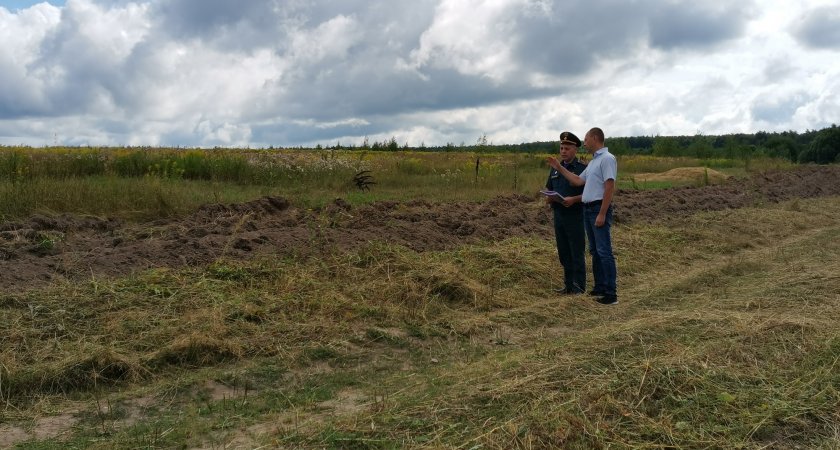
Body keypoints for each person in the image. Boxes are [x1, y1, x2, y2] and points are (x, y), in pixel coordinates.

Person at [547, 127, 618, 305]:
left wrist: (602, 213)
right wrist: (558, 167)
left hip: (596, 209)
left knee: (604, 251)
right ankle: (600, 287)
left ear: (595, 138)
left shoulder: (607, 159)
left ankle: (611, 293)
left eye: (586, 139)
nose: (585, 142)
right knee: (594, 251)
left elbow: (609, 187)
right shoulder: (594, 162)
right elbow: (578, 180)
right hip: (587, 210)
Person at [544, 131, 586, 295]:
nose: (563, 151)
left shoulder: (582, 169)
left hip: (575, 216)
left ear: (575, 150)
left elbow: (589, 194)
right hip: (559, 215)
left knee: (576, 251)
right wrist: (549, 197)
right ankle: (568, 284)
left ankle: (579, 286)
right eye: (561, 148)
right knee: (564, 252)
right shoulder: (554, 170)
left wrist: (574, 200)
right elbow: (550, 189)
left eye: (567, 148)